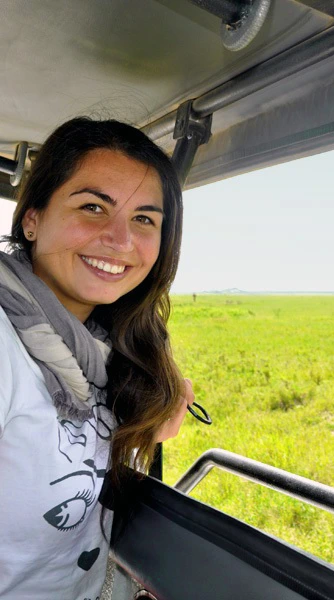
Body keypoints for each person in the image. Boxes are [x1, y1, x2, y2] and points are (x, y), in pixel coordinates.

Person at [0, 117, 193, 599]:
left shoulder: (106, 344)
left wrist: (160, 401)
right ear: (33, 218)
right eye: (92, 207)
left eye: (144, 219)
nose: (121, 240)